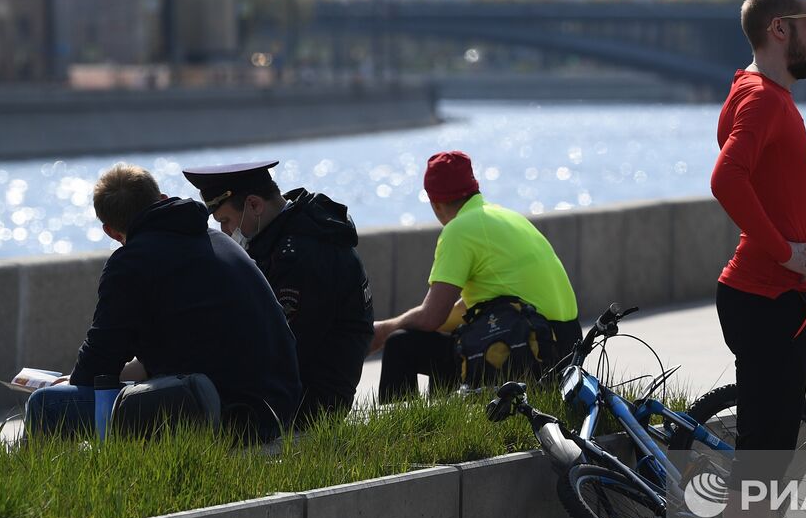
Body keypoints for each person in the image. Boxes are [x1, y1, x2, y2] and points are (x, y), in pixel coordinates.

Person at [710, 0, 806, 518]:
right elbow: (725, 179)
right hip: (765, 296)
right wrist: (782, 250)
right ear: (781, 29)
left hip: (777, 298)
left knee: (771, 456)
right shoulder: (759, 96)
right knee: (761, 456)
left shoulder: (766, 94)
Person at [24, 164, 302, 442]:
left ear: (110, 231)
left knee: (45, 404)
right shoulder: (218, 240)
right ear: (164, 199)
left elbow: (100, 361)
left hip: (225, 417)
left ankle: (53, 484)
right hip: (275, 409)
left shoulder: (131, 263)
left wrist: (72, 381)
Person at [368, 151, 580, 399]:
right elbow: (463, 310)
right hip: (565, 348)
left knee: (401, 344)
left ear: (434, 202)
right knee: (451, 342)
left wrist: (384, 330)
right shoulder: (506, 216)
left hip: (534, 350)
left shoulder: (459, 229)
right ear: (473, 187)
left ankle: (405, 430)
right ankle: (447, 419)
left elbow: (431, 317)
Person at [182, 160, 374, 425]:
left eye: (225, 220)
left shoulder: (302, 256)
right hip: (291, 392)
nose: (225, 231)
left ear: (254, 205)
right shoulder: (286, 234)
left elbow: (281, 348)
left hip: (305, 406)